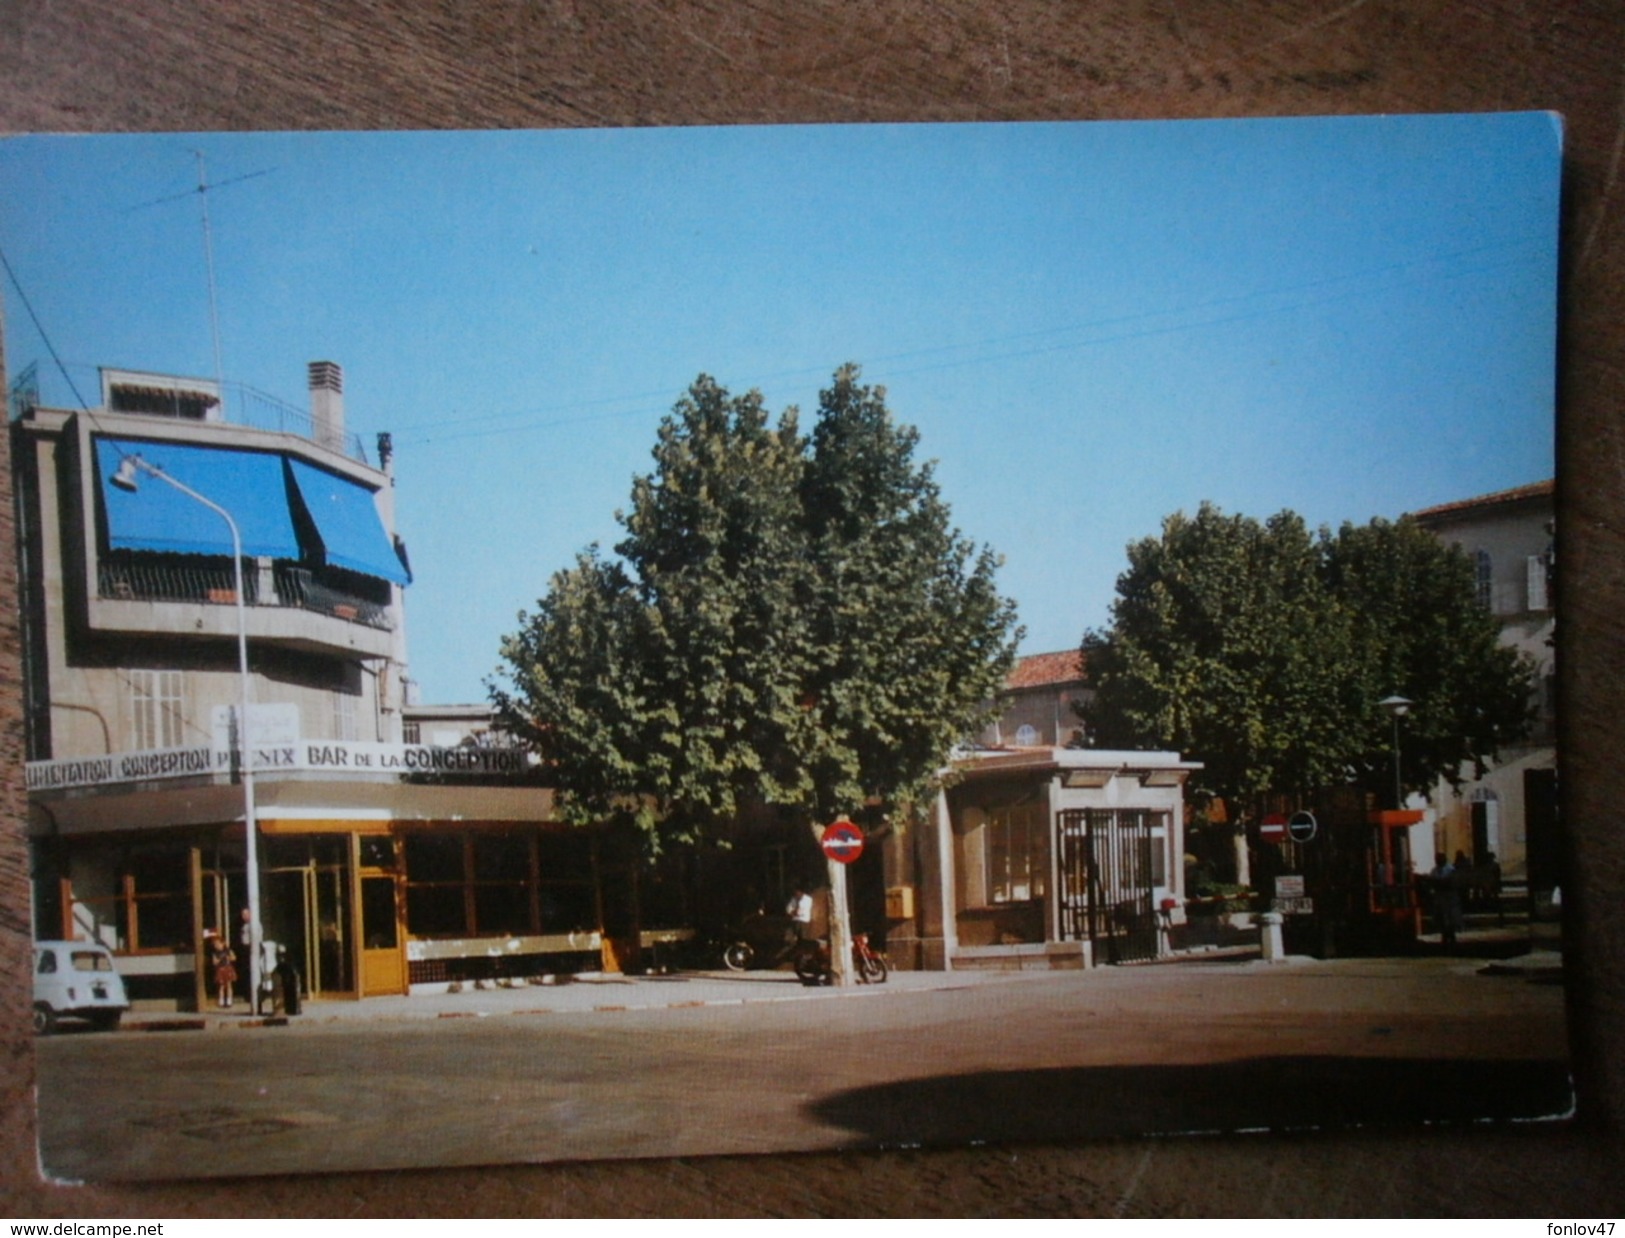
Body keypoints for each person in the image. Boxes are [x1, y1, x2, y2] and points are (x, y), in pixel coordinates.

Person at [1429, 852, 1463, 951]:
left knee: (1450, 918)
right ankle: (1444, 937)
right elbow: (1432, 880)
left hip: (1449, 897)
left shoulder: (1450, 869)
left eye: (1439, 859)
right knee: (1442, 918)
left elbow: (1452, 881)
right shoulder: (1434, 870)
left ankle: (1452, 938)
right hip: (1440, 897)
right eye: (1436, 859)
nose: (1437, 861)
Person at [207, 930, 237, 1009]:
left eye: (218, 944)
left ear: (223, 943)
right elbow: (214, 962)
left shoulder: (228, 950)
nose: (216, 946)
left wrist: (229, 958)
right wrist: (219, 960)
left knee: (229, 985)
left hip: (228, 968)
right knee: (221, 986)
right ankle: (221, 1000)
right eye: (215, 945)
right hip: (220, 969)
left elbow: (234, 958)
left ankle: (229, 1000)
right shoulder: (215, 953)